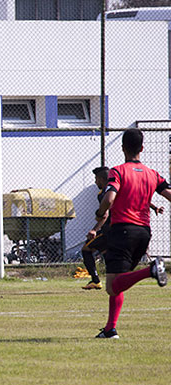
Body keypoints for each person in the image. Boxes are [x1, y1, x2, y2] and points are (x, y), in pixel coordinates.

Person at [91, 128, 171, 339]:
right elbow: (169, 194)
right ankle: (110, 329)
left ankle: (151, 270)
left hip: (122, 231)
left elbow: (108, 199)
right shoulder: (153, 173)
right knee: (119, 280)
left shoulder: (117, 171)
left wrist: (100, 212)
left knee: (112, 286)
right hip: (144, 232)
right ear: (142, 148)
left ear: (123, 148)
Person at [82, 166, 163, 290]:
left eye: (96, 179)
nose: (95, 182)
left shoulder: (105, 193)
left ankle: (96, 280)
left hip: (110, 231)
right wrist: (154, 207)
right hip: (122, 230)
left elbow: (105, 214)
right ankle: (111, 279)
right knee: (108, 257)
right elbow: (135, 195)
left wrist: (94, 229)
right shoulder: (117, 187)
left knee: (86, 249)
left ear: (100, 179)